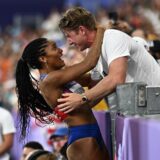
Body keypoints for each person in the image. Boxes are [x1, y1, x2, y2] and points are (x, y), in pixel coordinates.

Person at [15, 27, 109, 160]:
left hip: (89, 131)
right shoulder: (50, 80)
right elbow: (90, 62)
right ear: (43, 58)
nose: (61, 50)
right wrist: (99, 30)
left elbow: (91, 80)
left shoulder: (60, 75)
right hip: (82, 136)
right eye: (54, 48)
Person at [57, 7, 160, 113]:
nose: (69, 42)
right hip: (142, 107)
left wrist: (82, 98)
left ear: (82, 30)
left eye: (69, 36)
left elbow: (116, 79)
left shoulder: (112, 38)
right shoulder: (92, 51)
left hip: (155, 103)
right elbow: (96, 86)